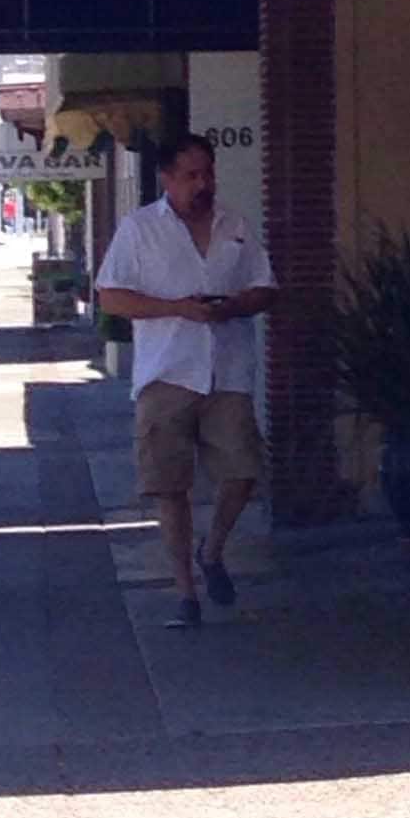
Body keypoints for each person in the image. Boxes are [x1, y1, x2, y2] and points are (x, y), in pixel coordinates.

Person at [95, 133, 279, 630]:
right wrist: (175, 309)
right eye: (192, 175)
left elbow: (266, 285)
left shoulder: (233, 224)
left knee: (243, 471)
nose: (204, 184)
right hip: (167, 371)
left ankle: (213, 548)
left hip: (227, 367)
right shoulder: (139, 230)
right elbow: (111, 296)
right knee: (168, 485)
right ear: (168, 179)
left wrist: (236, 305)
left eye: (209, 173)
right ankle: (185, 593)